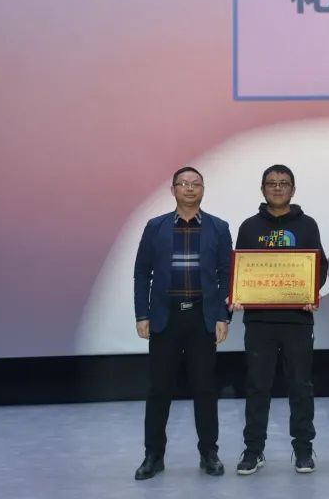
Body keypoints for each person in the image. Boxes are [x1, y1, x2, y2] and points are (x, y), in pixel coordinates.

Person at [132, 166, 232, 480]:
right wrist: (142, 314)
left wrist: (222, 315)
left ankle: (209, 453)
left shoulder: (218, 227)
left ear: (203, 189)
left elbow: (226, 275)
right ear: (173, 189)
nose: (190, 188)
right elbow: (142, 273)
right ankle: (153, 455)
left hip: (202, 318)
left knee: (205, 388)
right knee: (159, 389)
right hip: (166, 318)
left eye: (196, 183)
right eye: (184, 183)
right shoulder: (156, 227)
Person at [232, 164, 329, 475]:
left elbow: (320, 266)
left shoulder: (308, 225)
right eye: (271, 183)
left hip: (297, 320)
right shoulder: (249, 227)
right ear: (262, 189)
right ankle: (253, 451)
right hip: (259, 322)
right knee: (257, 387)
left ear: (293, 189)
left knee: (300, 386)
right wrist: (238, 292)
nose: (277, 188)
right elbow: (240, 269)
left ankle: (303, 450)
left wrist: (311, 292)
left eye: (283, 183)